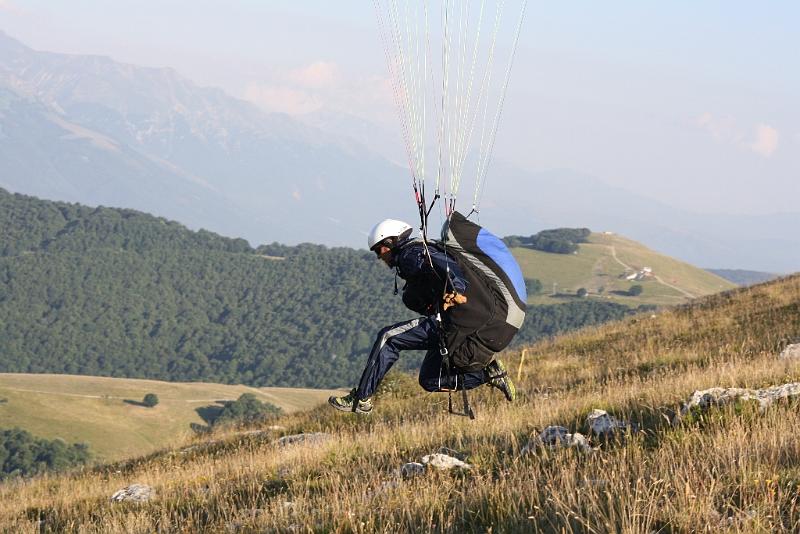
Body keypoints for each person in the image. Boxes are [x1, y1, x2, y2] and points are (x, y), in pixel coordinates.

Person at [329, 218, 516, 414]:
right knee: (429, 380)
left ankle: (361, 399)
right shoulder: (416, 253)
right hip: (459, 324)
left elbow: (446, 265)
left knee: (389, 338)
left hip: (450, 322)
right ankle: (489, 374)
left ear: (390, 243)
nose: (379, 257)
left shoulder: (410, 254)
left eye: (379, 250)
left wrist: (456, 288)